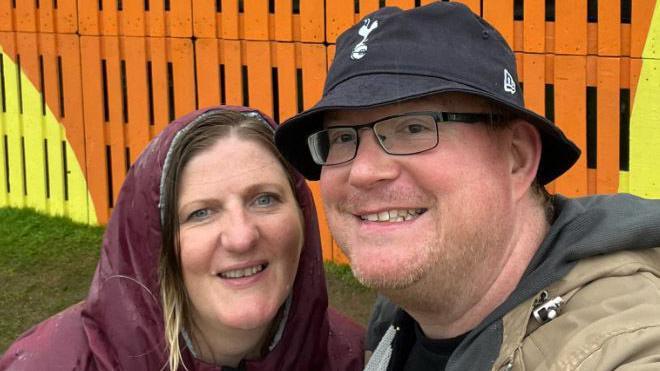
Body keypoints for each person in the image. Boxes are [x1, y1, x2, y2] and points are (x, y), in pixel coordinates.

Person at [275, 2, 660, 370]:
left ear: (517, 157)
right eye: (342, 138)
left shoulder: (620, 341)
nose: (362, 172)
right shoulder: (404, 313)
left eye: (413, 128)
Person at [1, 106, 364, 370]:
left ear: (301, 214)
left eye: (264, 199)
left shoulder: (355, 357)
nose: (240, 237)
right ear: (153, 244)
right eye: (201, 213)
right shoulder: (53, 363)